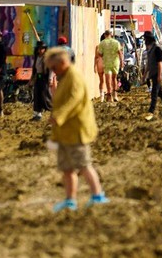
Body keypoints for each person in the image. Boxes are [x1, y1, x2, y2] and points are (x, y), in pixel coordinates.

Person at [45, 47, 109, 212]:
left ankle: (97, 196)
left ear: (63, 62)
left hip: (77, 130)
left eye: (54, 67)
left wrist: (58, 116)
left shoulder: (74, 77)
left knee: (84, 164)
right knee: (67, 168)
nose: (53, 71)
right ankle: (70, 200)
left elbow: (74, 100)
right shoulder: (64, 77)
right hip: (65, 132)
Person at [98, 30, 123, 103]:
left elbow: (100, 54)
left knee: (108, 80)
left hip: (106, 63)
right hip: (115, 63)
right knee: (114, 78)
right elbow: (120, 53)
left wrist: (105, 55)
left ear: (105, 35)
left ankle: (109, 96)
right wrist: (122, 62)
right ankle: (115, 94)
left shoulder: (102, 43)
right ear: (111, 35)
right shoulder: (116, 42)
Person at [30, 41, 53, 121]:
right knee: (36, 96)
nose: (40, 50)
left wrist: (50, 79)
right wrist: (32, 79)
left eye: (42, 49)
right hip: (38, 78)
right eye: (39, 48)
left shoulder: (47, 58)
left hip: (44, 78)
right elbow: (35, 69)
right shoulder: (37, 57)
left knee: (46, 96)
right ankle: (37, 114)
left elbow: (51, 69)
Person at [94, 33, 106, 102]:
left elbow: (96, 57)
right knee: (108, 79)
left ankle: (102, 96)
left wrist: (94, 66)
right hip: (107, 63)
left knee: (101, 81)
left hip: (99, 63)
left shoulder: (98, 47)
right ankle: (109, 94)